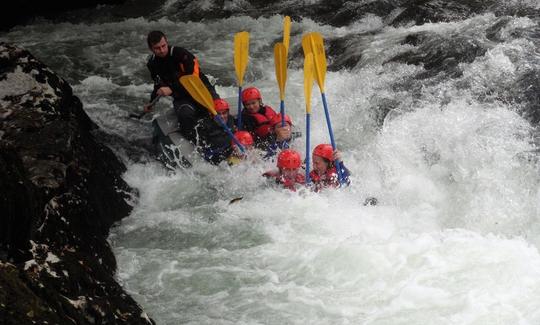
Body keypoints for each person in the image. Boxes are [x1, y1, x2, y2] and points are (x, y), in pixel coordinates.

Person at [145, 30, 219, 143]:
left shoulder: (181, 54)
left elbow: (192, 78)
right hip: (182, 96)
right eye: (157, 48)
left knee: (218, 108)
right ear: (151, 49)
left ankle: (221, 134)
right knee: (185, 115)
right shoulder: (152, 64)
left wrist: (171, 89)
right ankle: (197, 143)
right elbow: (158, 84)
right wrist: (151, 102)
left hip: (200, 88)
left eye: (163, 46)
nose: (162, 50)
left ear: (166, 42)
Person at [195, 98, 236, 164]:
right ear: (212, 115)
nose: (222, 117)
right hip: (215, 158)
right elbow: (203, 149)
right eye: (218, 114)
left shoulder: (231, 119)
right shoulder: (205, 127)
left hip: (230, 153)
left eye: (224, 113)